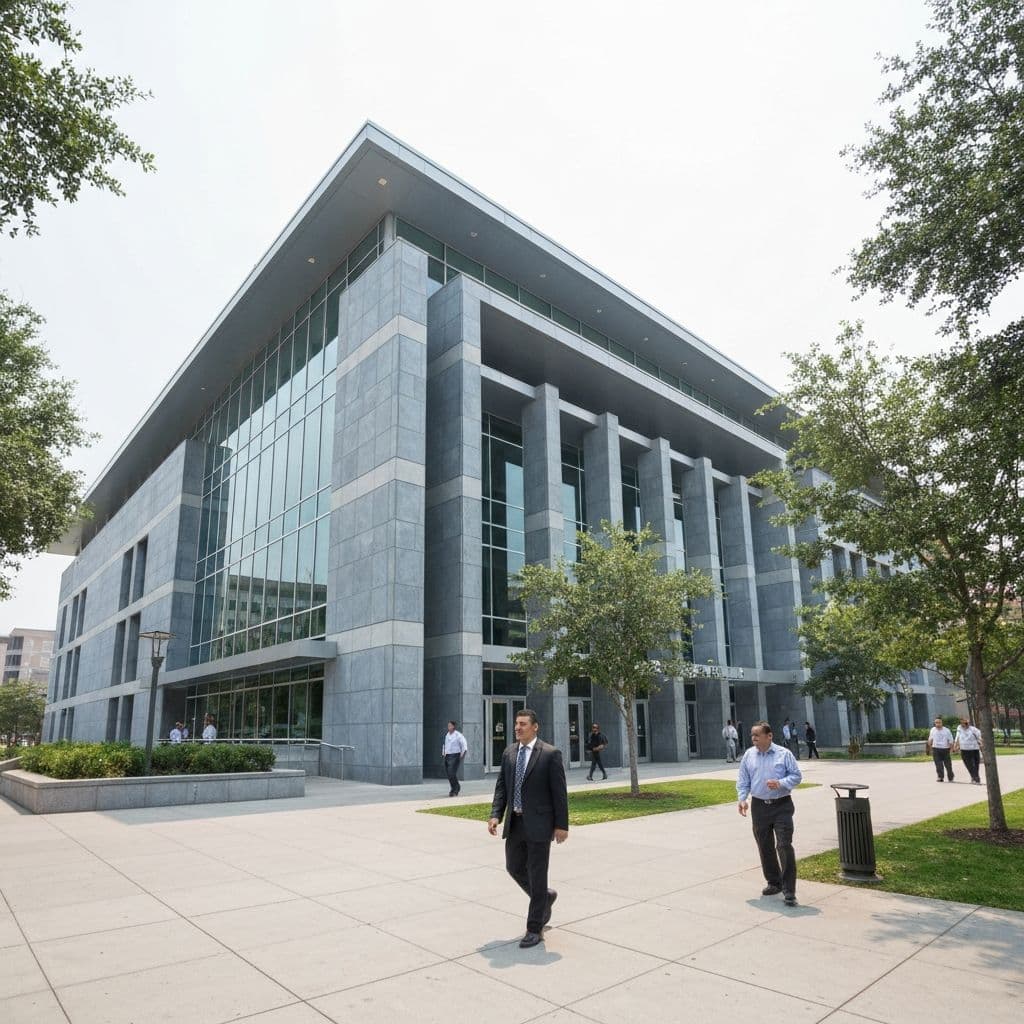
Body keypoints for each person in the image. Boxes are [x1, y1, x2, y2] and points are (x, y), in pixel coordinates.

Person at [488, 709, 569, 948]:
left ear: (535, 727)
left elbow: (559, 793)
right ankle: (544, 897)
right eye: (516, 724)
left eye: (523, 724)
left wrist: (561, 825)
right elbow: (502, 786)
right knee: (513, 867)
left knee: (537, 873)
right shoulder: (509, 753)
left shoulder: (550, 754)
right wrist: (495, 815)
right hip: (515, 822)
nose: (517, 727)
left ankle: (535, 928)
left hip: (540, 824)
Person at [737, 721, 803, 907]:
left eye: (757, 735)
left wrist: (781, 783)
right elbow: (743, 779)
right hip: (759, 806)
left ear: (769, 736)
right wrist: (742, 799)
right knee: (764, 845)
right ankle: (774, 883)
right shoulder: (749, 755)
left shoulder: (784, 754)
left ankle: (789, 891)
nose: (754, 739)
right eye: (752, 736)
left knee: (784, 845)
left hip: (781, 805)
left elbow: (797, 776)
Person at [442, 720, 468, 796]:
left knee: (451, 772)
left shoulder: (458, 735)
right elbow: (445, 745)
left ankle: (456, 788)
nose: (448, 727)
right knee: (449, 774)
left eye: (450, 725)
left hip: (455, 755)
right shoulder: (447, 735)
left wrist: (463, 754)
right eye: (448, 725)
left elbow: (464, 744)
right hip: (447, 755)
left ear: (453, 726)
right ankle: (453, 788)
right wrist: (443, 754)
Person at [953, 717, 982, 784]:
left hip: (974, 749)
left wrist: (981, 743)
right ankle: (974, 777)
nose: (964, 724)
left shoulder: (973, 729)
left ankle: (976, 778)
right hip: (964, 749)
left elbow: (980, 737)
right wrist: (955, 746)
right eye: (962, 723)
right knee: (968, 764)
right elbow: (957, 737)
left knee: (975, 765)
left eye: (966, 723)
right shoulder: (959, 728)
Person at [928, 716, 955, 782]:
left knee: (948, 765)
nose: (937, 724)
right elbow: (930, 739)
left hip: (945, 749)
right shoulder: (933, 730)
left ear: (942, 723)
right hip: (936, 749)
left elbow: (951, 741)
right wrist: (930, 748)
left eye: (939, 722)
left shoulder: (946, 730)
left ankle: (950, 776)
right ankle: (940, 777)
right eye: (936, 723)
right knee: (938, 764)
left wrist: (951, 750)